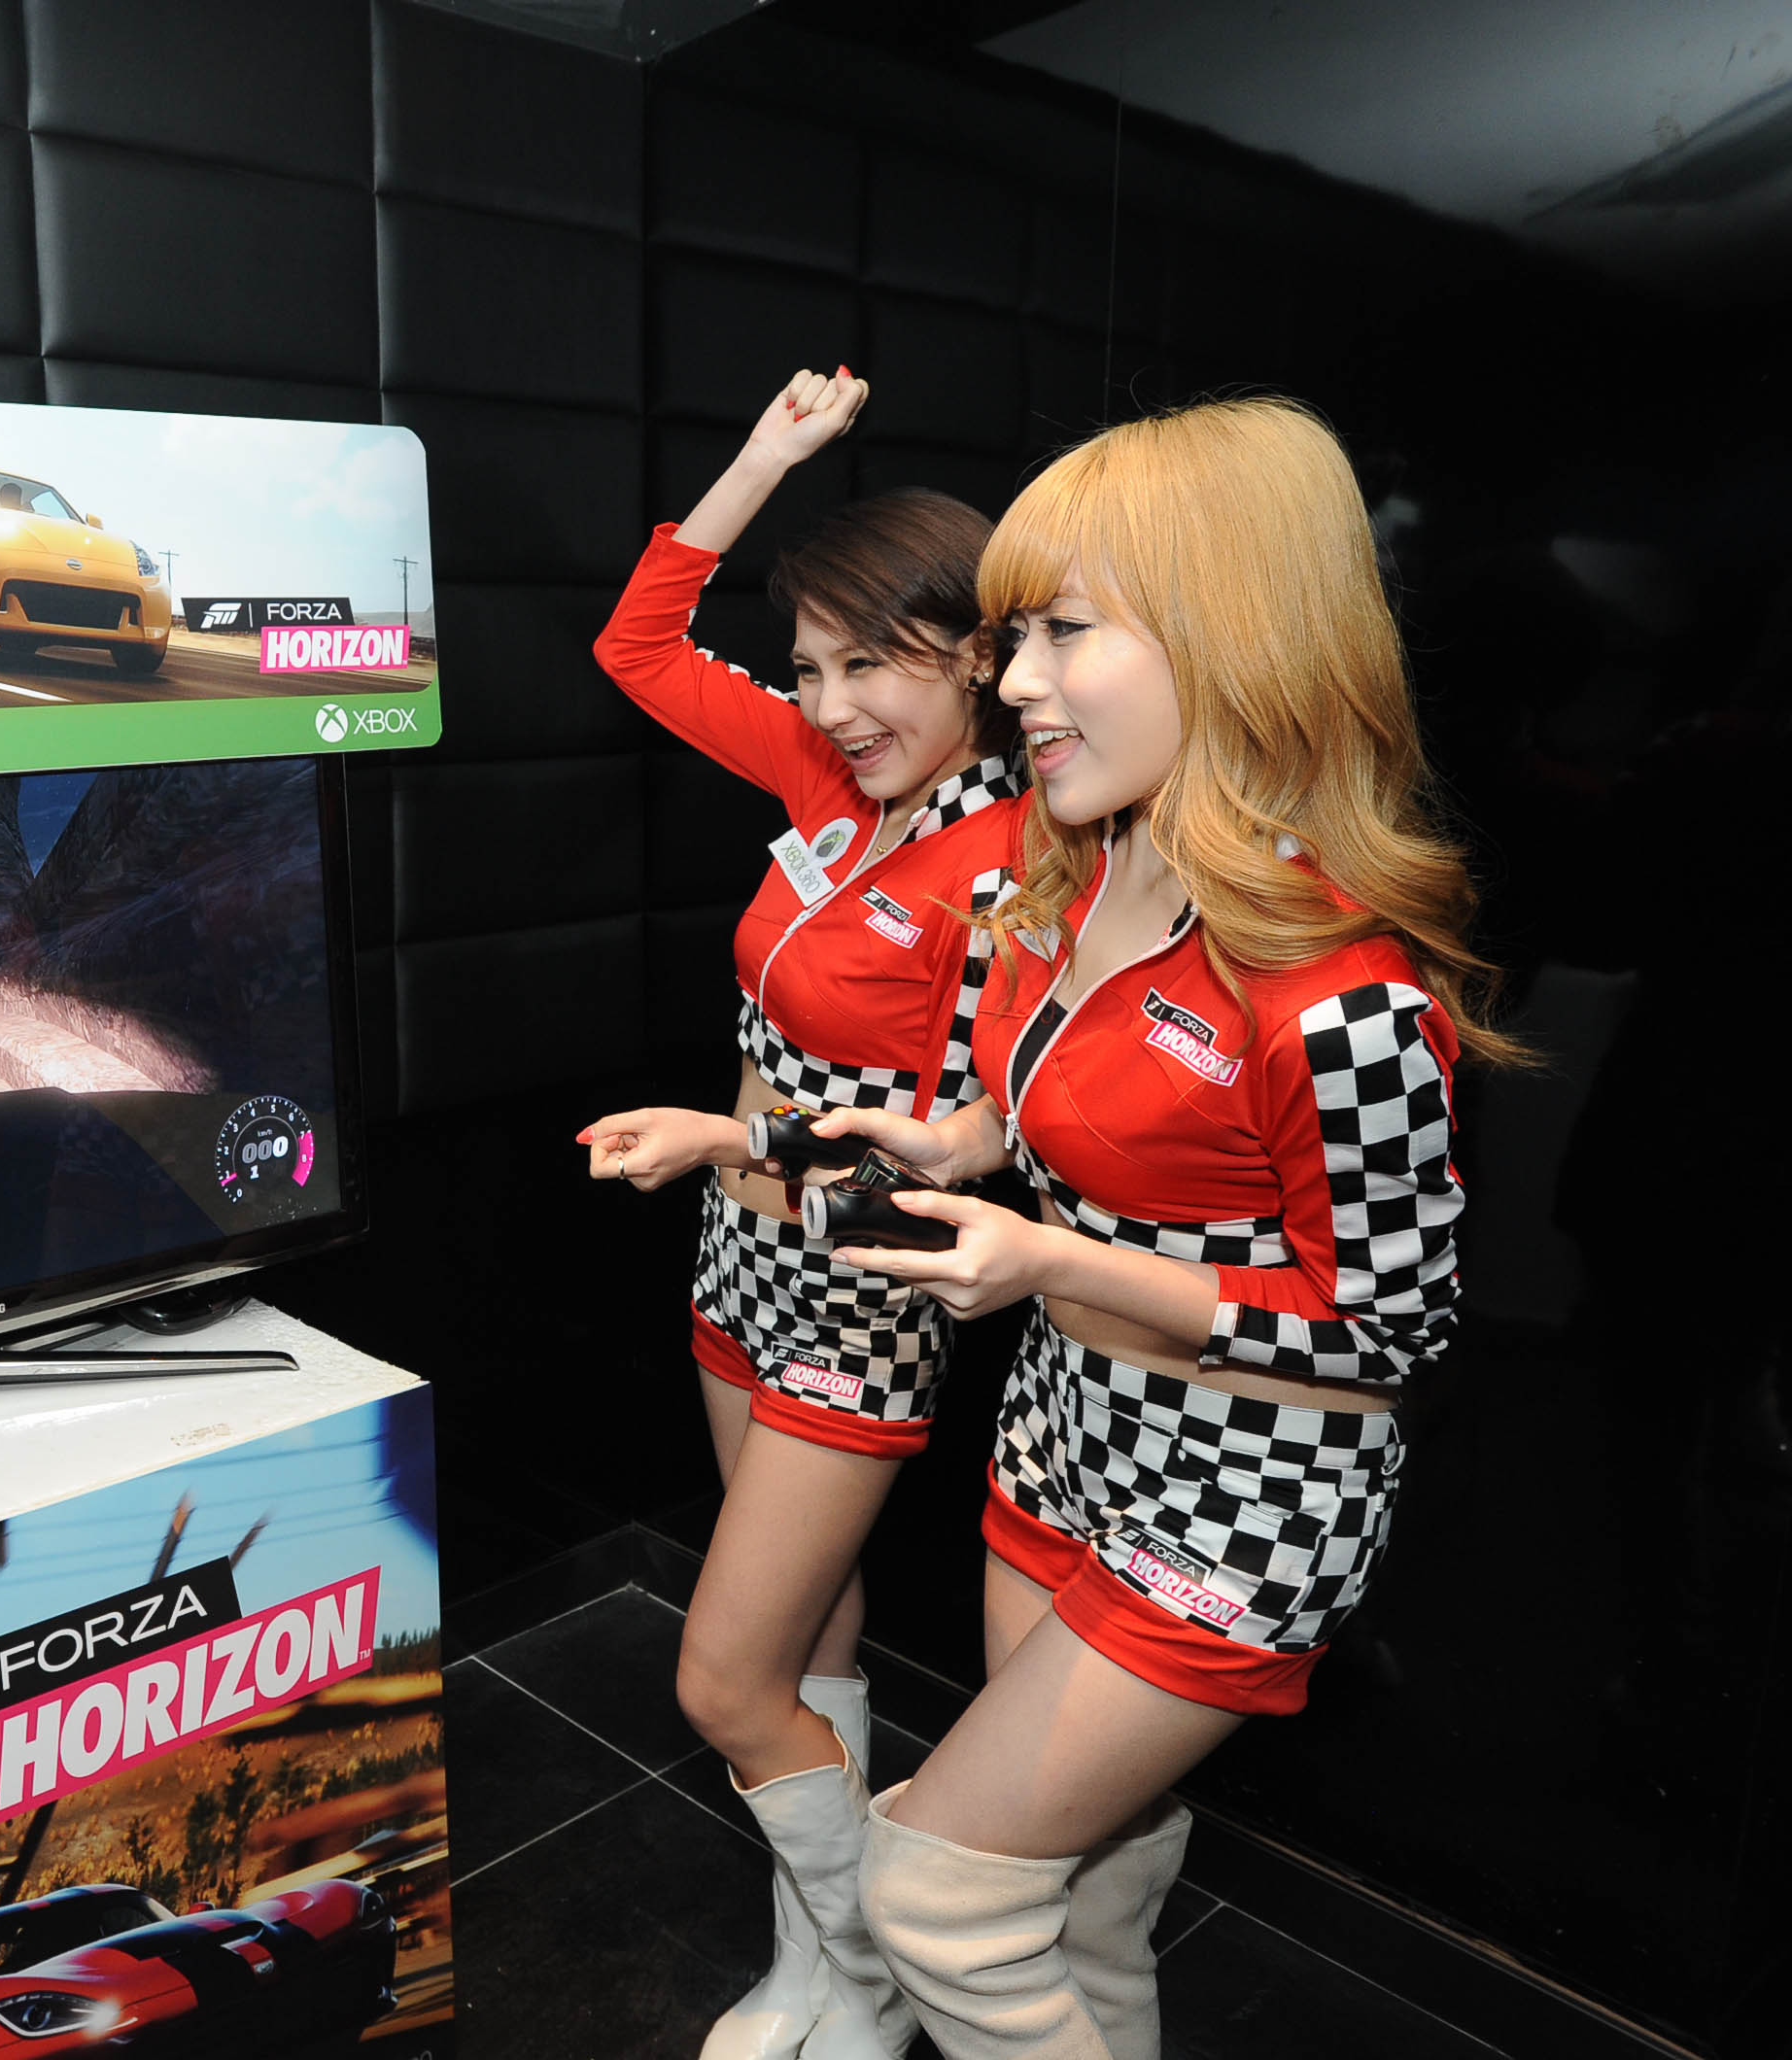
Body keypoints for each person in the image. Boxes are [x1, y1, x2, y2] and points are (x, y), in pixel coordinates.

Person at [801, 396, 1519, 2058]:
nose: (1016, 682)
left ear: (1234, 633)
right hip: (1064, 1438)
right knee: (1083, 1902)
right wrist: (958, 1142)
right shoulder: (1076, 863)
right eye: (1013, 638)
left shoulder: (1342, 995)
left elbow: (1391, 1333)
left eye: (1064, 631)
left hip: (1247, 1491)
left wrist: (1053, 1260)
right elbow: (1061, 1088)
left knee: (939, 1895)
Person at [580, 366, 1028, 2060]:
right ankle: (822, 1971)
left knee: (721, 1680)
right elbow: (639, 646)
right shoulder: (835, 790)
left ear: (975, 656)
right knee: (807, 1634)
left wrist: (727, 1136)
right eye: (813, 667)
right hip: (738, 1248)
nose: (832, 705)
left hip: (863, 1282)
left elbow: (966, 1160)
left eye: (872, 663)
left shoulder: (1020, 861)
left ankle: (882, 1971)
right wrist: (767, 456)